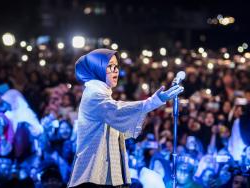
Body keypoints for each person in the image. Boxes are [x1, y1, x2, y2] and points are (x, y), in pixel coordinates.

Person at [68, 49, 184, 187]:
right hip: (92, 175)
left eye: (116, 66)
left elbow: (120, 127)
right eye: (109, 66)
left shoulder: (101, 93)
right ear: (97, 68)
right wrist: (153, 101)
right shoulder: (94, 95)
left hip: (102, 175)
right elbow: (117, 110)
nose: (115, 70)